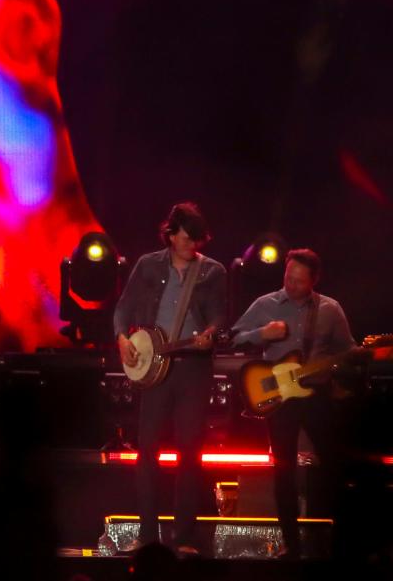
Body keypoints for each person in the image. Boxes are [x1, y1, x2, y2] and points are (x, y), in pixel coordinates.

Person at [113, 202, 226, 555]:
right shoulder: (148, 265)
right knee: (148, 451)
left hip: (193, 366)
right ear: (171, 234)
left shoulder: (214, 272)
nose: (192, 244)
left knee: (190, 452)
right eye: (186, 237)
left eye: (197, 239)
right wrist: (122, 339)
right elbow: (123, 308)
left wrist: (210, 332)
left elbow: (221, 315)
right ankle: (148, 536)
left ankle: (185, 537)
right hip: (155, 366)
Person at [232, 248, 354, 559]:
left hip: (317, 395)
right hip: (281, 399)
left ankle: (340, 538)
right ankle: (291, 543)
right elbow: (233, 338)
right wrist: (263, 333)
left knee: (335, 464)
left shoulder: (330, 309)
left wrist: (354, 361)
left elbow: (347, 349)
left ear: (314, 281)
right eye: (288, 277)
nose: (292, 285)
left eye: (299, 281)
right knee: (283, 470)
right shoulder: (265, 304)